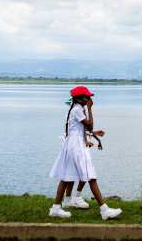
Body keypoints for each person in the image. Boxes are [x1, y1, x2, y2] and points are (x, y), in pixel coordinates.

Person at [48, 86, 122, 220]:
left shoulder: (76, 109)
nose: (89, 99)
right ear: (78, 99)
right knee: (90, 175)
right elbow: (89, 125)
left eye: (89, 97)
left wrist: (94, 134)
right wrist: (90, 109)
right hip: (77, 146)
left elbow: (80, 128)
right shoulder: (77, 109)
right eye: (86, 97)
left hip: (73, 144)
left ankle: (56, 208)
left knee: (66, 177)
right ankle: (104, 210)